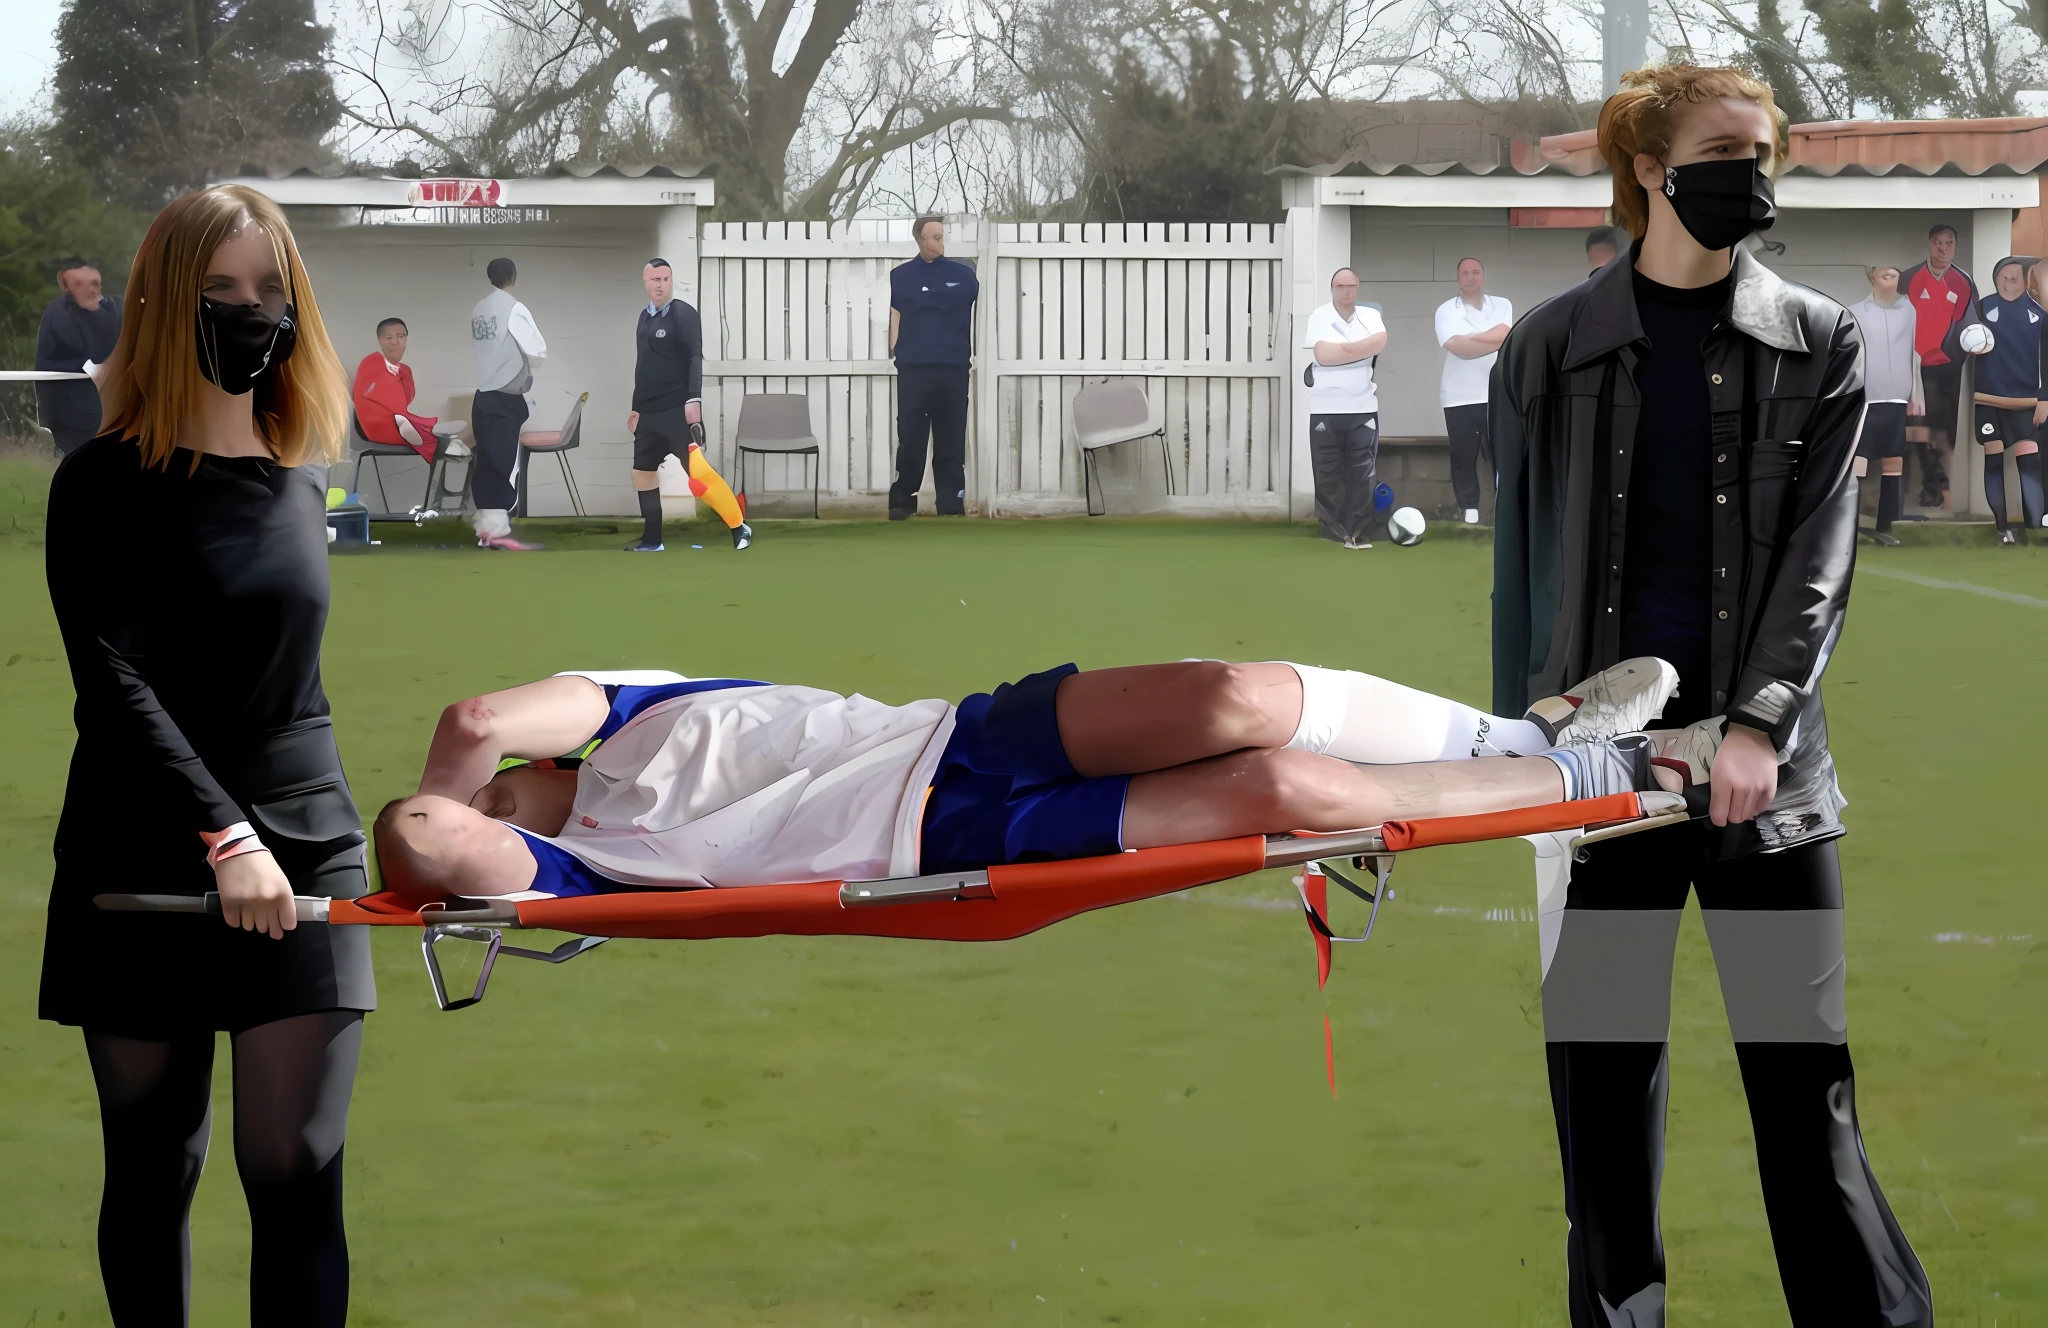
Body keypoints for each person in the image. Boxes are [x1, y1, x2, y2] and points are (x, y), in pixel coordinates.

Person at [1489, 63, 1930, 1327]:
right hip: (1600, 788)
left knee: (1806, 1098)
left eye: (1762, 150)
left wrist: (1754, 727)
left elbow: (1821, 559)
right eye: (1727, 147)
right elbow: (1522, 573)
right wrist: (1523, 752)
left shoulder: (1819, 338)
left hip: (1768, 792)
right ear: (1647, 167)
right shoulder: (1548, 346)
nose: (1754, 171)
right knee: (1601, 1100)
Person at [40, 185, 373, 1327]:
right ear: (165, 304)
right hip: (142, 839)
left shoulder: (300, 475)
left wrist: (307, 837)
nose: (251, 313)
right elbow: (113, 678)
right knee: (152, 1167)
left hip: (308, 840)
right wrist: (224, 835)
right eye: (222, 292)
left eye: (269, 291)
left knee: (299, 1172)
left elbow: (292, 677)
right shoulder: (100, 483)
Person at [375, 656, 1696, 899]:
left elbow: (479, 712)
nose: (478, 796)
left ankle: (1525, 745)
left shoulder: (629, 706)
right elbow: (435, 841)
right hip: (950, 845)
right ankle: (1601, 782)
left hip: (962, 737)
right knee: (1283, 788)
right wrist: (420, 840)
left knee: (1232, 697)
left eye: (491, 781)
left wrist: (482, 752)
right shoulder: (571, 870)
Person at [624, 258, 752, 552]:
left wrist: (693, 401)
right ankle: (652, 540)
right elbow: (643, 365)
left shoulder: (683, 314)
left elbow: (695, 358)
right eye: (655, 279)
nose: (660, 284)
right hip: (648, 413)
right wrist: (635, 407)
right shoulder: (644, 317)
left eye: (665, 279)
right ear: (645, 282)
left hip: (677, 411)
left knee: (700, 476)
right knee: (642, 475)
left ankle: (738, 526)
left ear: (671, 281)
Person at [888, 216, 978, 519]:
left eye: (942, 236)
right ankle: (902, 505)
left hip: (953, 370)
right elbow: (894, 316)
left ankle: (951, 506)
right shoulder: (899, 277)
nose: (940, 242)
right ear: (919, 239)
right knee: (911, 440)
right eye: (934, 237)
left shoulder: (964, 276)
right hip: (914, 371)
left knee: (951, 441)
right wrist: (895, 349)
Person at [1900, 223, 1988, 508]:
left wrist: (1966, 351)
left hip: (1948, 368)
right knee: (1917, 428)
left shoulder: (1963, 281)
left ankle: (1939, 487)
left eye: (1949, 242)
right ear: (1930, 243)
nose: (1943, 247)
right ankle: (1923, 485)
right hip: (1914, 369)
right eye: (1938, 242)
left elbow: (1973, 323)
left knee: (1942, 429)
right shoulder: (1909, 278)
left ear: (1955, 246)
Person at [1302, 267, 1388, 548]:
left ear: (1357, 287)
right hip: (1325, 407)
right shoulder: (1319, 316)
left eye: (1351, 286)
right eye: (1340, 286)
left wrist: (1342, 351)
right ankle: (1332, 527)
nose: (1346, 291)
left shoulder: (1371, 316)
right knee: (1327, 471)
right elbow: (1323, 356)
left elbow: (1379, 343)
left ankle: (1359, 530)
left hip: (1363, 405)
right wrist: (1357, 350)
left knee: (1361, 471)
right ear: (1332, 289)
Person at [469, 257, 547, 550]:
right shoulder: (514, 308)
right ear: (513, 276)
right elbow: (538, 350)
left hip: (482, 396)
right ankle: (498, 530)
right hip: (505, 397)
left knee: (486, 461)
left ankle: (487, 529)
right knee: (505, 464)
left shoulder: (478, 310)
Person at [1971, 256, 2046, 543]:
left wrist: (2043, 399)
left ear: (2026, 280)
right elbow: (1960, 340)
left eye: (2017, 275)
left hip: (2024, 403)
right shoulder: (1982, 308)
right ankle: (2003, 528)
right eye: (2005, 274)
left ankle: (2036, 529)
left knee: (2028, 459)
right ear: (1996, 277)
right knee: (1994, 457)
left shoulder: (2039, 313)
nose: (2011, 279)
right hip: (1988, 399)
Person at [1433, 257, 1512, 524]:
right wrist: (1489, 339)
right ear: (1458, 278)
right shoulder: (1446, 310)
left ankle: (1507, 507)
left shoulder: (1502, 304)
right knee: (1463, 455)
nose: (1470, 277)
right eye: (1465, 273)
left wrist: (1469, 338)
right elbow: (1457, 348)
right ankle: (1469, 510)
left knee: (1502, 452)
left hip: (1496, 392)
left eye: (1475, 271)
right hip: (1459, 395)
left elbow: (1505, 337)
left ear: (1483, 275)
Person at [1848, 264, 1922, 544]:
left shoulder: (1909, 311)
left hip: (1897, 398)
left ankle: (1885, 527)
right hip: (1866, 398)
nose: (1891, 278)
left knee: (1893, 460)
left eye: (1894, 273)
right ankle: (1849, 524)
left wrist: (1915, 393)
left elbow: (1913, 352)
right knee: (1860, 461)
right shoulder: (1856, 311)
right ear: (1872, 279)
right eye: (1884, 274)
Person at [35, 258, 123, 455]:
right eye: (79, 284)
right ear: (65, 287)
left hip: (102, 409)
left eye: (94, 283)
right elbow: (86, 357)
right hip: (70, 412)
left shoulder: (112, 308)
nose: (90, 290)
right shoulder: (59, 312)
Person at [349, 317, 451, 461]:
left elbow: (405, 401)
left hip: (392, 422)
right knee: (436, 439)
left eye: (400, 336)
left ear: (406, 339)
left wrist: (403, 373)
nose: (395, 343)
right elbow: (387, 405)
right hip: (381, 427)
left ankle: (414, 430)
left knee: (435, 433)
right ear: (380, 340)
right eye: (388, 337)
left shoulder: (399, 369)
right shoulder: (372, 364)